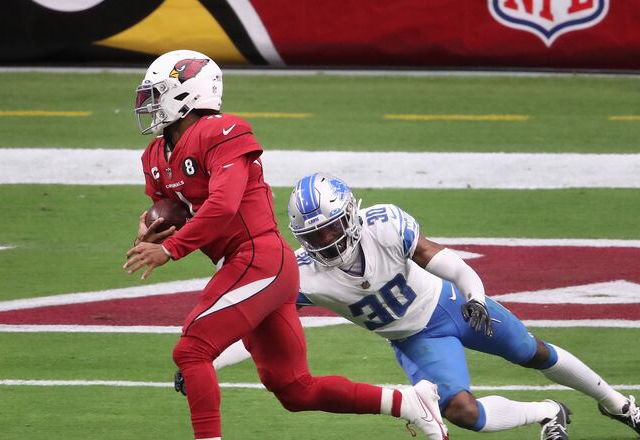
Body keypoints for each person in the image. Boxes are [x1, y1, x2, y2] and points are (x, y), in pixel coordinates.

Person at [123, 50, 449, 440]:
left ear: (187, 93)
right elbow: (172, 208)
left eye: (159, 93)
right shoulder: (156, 154)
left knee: (192, 350)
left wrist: (171, 249)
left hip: (260, 257)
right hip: (244, 265)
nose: (151, 103)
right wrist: (152, 227)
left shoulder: (222, 130)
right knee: (294, 388)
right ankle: (410, 403)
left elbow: (224, 206)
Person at [202, 173, 640, 440]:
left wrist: (475, 298)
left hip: (450, 304)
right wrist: (210, 361)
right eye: (315, 235)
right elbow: (260, 332)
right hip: (412, 339)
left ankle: (622, 407)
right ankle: (548, 411)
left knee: (534, 352)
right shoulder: (302, 271)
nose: (326, 241)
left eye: (331, 228)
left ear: (350, 214)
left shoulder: (384, 225)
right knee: (463, 413)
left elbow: (447, 262)